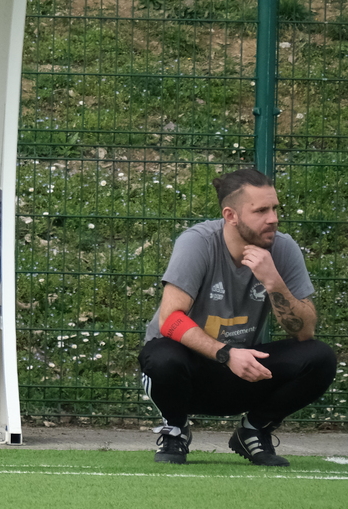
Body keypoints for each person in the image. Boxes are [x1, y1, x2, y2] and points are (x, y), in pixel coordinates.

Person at [139, 168, 337, 466]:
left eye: (274, 208)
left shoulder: (283, 248)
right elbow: (170, 319)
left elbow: (304, 332)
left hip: (243, 372)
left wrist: (274, 282)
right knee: (162, 357)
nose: (273, 218)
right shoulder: (198, 243)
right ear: (230, 215)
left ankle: (254, 430)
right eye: (261, 211)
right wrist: (227, 354)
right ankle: (175, 430)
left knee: (320, 357)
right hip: (188, 375)